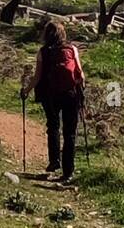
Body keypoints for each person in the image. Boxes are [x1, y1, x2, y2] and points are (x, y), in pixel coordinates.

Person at [21, 20, 85, 181]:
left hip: (50, 95)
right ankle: (68, 171)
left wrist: (26, 91)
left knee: (53, 126)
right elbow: (81, 74)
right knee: (70, 133)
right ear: (63, 34)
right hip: (71, 94)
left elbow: (37, 76)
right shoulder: (72, 49)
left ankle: (54, 161)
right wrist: (81, 91)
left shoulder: (43, 52)